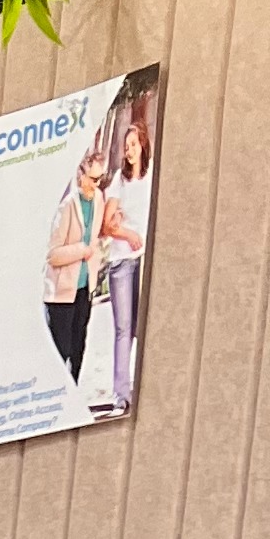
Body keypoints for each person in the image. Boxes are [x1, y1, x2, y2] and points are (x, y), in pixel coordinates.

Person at [99, 85, 154, 417]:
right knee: (122, 327)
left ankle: (134, 385)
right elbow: (108, 224)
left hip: (145, 259)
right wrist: (127, 231)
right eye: (126, 145)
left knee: (138, 326)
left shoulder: (150, 178)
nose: (129, 150)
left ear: (142, 146)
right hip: (122, 262)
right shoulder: (120, 179)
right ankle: (121, 394)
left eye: (133, 145)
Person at [43, 141, 108, 387]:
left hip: (85, 287)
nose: (96, 185)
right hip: (61, 292)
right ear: (81, 174)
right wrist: (82, 251)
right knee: (62, 349)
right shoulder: (67, 206)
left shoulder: (99, 199)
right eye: (93, 179)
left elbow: (95, 237)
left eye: (100, 179)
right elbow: (53, 254)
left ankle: (73, 391)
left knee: (80, 344)